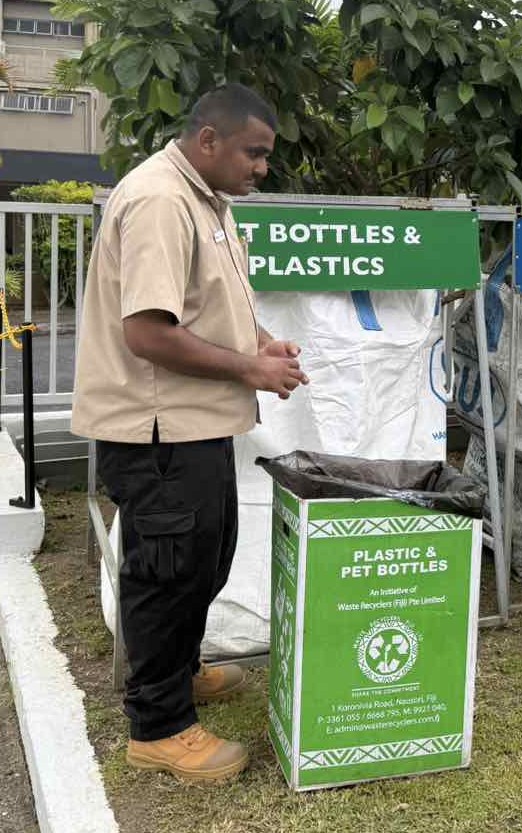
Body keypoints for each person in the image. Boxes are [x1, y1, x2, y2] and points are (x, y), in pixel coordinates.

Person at [71, 84, 308, 783]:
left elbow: (212, 304)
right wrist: (251, 370)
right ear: (209, 139)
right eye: (253, 152)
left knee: (206, 558)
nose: (261, 167)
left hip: (195, 423)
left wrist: (260, 345)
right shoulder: (160, 201)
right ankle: (159, 726)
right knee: (167, 572)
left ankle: (180, 668)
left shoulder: (207, 202)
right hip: (157, 429)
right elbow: (148, 333)